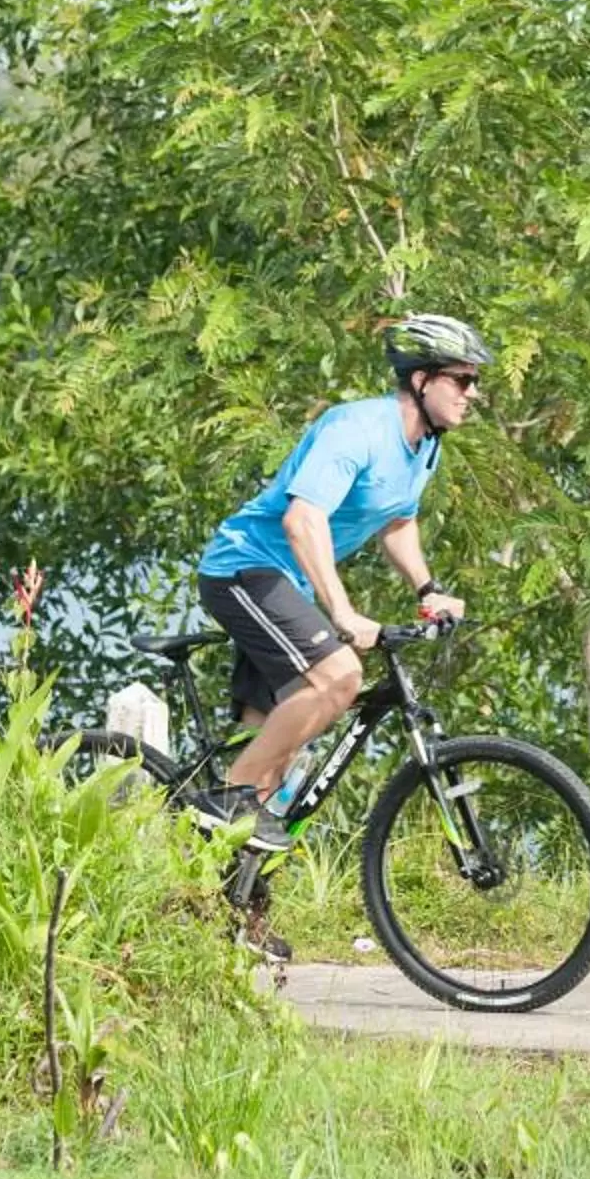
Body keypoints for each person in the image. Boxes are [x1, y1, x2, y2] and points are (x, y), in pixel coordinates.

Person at [189, 314, 489, 856]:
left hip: (286, 588)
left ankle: (230, 904)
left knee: (277, 755)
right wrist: (344, 615)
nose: (474, 393)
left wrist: (428, 589)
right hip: (244, 569)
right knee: (341, 676)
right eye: (462, 380)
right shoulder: (355, 430)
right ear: (422, 379)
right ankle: (226, 802)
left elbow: (398, 521)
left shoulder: (426, 446)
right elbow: (301, 520)